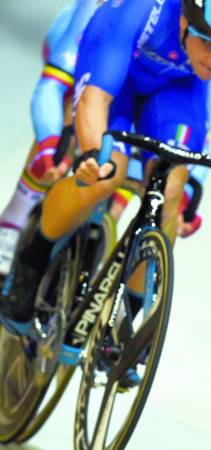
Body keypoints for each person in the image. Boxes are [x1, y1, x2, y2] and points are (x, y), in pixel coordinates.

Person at [1, 0, 211, 324]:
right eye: (210, 44)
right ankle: (33, 258)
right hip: (116, 70)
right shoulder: (145, 9)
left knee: (170, 187)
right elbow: (96, 99)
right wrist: (93, 157)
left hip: (178, 88)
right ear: (185, 24)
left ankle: (126, 318)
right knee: (107, 175)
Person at [0, 0, 97, 276]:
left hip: (138, 63)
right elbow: (51, 88)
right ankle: (13, 220)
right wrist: (48, 145)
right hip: (77, 43)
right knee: (69, 123)